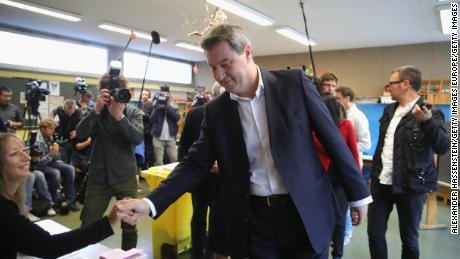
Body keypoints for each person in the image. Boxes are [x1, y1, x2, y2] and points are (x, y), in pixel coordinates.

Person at [117, 24, 371, 259]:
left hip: (304, 211)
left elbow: (333, 139)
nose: (219, 75)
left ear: (247, 52)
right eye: (213, 67)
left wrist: (358, 195)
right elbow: (194, 163)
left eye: (225, 64)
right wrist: (150, 201)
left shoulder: (293, 84)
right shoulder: (217, 110)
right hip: (254, 218)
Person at [367, 65, 449, 259]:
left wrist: (427, 123)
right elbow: (383, 147)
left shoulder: (431, 112)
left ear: (405, 84)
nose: (388, 87)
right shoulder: (389, 110)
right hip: (381, 184)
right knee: (374, 233)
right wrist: (374, 176)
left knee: (409, 239)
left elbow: (443, 147)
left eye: (391, 83)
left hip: (411, 186)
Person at [0, 133, 125, 259]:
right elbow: (49, 246)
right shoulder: (4, 210)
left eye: (24, 150)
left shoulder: (10, 200)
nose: (27, 157)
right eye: (14, 154)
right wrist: (109, 222)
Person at [76, 73, 143, 250]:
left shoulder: (132, 112)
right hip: (99, 177)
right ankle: (84, 254)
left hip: (125, 176)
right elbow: (80, 134)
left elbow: (137, 138)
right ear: (101, 93)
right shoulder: (96, 112)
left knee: (129, 226)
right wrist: (96, 110)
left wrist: (120, 117)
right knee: (88, 223)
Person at [313, 93, 360, 259]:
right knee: (321, 219)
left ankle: (338, 255)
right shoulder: (313, 127)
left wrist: (357, 187)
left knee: (340, 218)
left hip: (340, 179)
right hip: (319, 179)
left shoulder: (345, 126)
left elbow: (353, 156)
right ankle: (322, 253)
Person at [335, 86, 371, 245]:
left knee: (349, 203)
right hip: (342, 165)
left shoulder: (357, 117)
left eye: (338, 98)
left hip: (353, 165)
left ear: (346, 99)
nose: (336, 101)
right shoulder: (343, 115)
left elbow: (366, 143)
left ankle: (346, 236)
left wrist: (345, 148)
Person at [31, 119, 79, 211]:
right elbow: (39, 164)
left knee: (70, 168)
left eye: (54, 129)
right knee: (56, 173)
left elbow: (52, 154)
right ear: (43, 128)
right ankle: (52, 202)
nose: (53, 131)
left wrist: (56, 158)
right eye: (51, 129)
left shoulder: (49, 137)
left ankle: (70, 201)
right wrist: (51, 155)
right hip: (39, 165)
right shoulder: (37, 140)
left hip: (49, 162)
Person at [149, 85, 180, 165]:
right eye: (162, 95)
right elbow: (151, 120)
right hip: (158, 138)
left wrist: (168, 107)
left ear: (169, 95)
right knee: (159, 162)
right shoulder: (156, 106)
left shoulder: (173, 106)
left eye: (166, 95)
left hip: (170, 138)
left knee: (174, 160)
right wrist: (156, 107)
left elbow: (177, 117)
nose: (164, 97)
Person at [50, 99, 82, 164]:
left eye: (71, 112)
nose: (70, 114)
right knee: (63, 155)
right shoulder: (60, 109)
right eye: (68, 112)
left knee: (72, 157)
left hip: (74, 137)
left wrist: (76, 131)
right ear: (64, 108)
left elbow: (83, 124)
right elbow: (53, 112)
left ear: (74, 108)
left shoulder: (79, 111)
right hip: (62, 133)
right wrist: (50, 120)